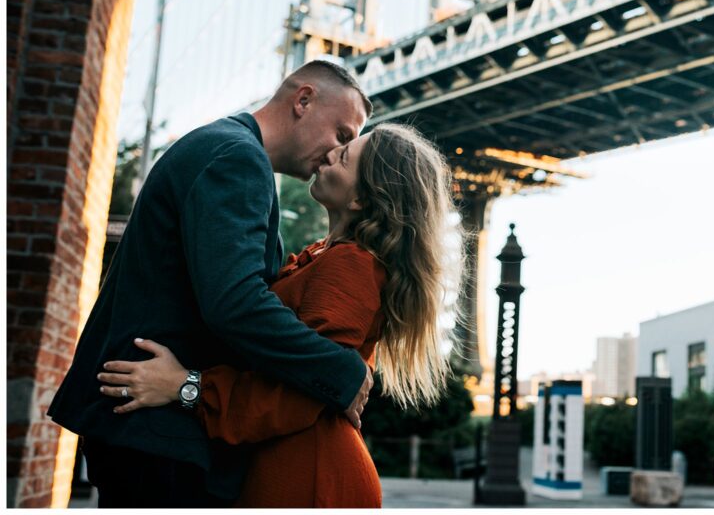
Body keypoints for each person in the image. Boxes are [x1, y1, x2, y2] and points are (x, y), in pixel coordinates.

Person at [48, 60, 377, 507]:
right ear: (303, 100)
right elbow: (236, 302)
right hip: (155, 430)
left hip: (151, 424)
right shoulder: (237, 159)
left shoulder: (226, 148)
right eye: (342, 133)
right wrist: (342, 370)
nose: (338, 151)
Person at [95, 122, 462, 507]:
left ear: (360, 200)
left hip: (306, 476)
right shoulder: (327, 256)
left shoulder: (351, 265)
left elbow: (304, 393)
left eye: (344, 156)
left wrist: (186, 387)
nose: (329, 153)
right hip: (288, 462)